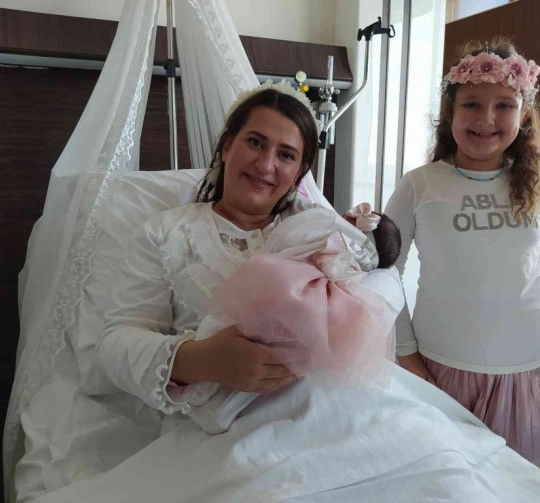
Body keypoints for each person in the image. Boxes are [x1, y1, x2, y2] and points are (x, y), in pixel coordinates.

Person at [97, 81, 402, 427]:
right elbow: (114, 344)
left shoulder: (323, 229)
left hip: (329, 413)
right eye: (255, 142)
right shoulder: (165, 234)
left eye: (286, 155)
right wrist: (203, 361)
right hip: (225, 428)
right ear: (227, 146)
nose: (266, 164)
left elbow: (377, 288)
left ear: (299, 174)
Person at [385, 39, 540, 462]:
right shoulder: (419, 185)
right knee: (446, 476)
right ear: (450, 112)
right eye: (472, 105)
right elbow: (386, 274)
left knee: (511, 481)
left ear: (524, 114)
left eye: (504, 105)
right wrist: (405, 355)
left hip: (529, 370)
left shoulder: (538, 188)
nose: (486, 119)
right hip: (443, 368)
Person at [187, 203, 402, 434]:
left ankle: (207, 394)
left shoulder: (325, 223)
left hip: (285, 287)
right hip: (318, 311)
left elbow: (286, 237)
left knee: (231, 329)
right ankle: (220, 405)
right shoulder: (365, 265)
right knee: (272, 359)